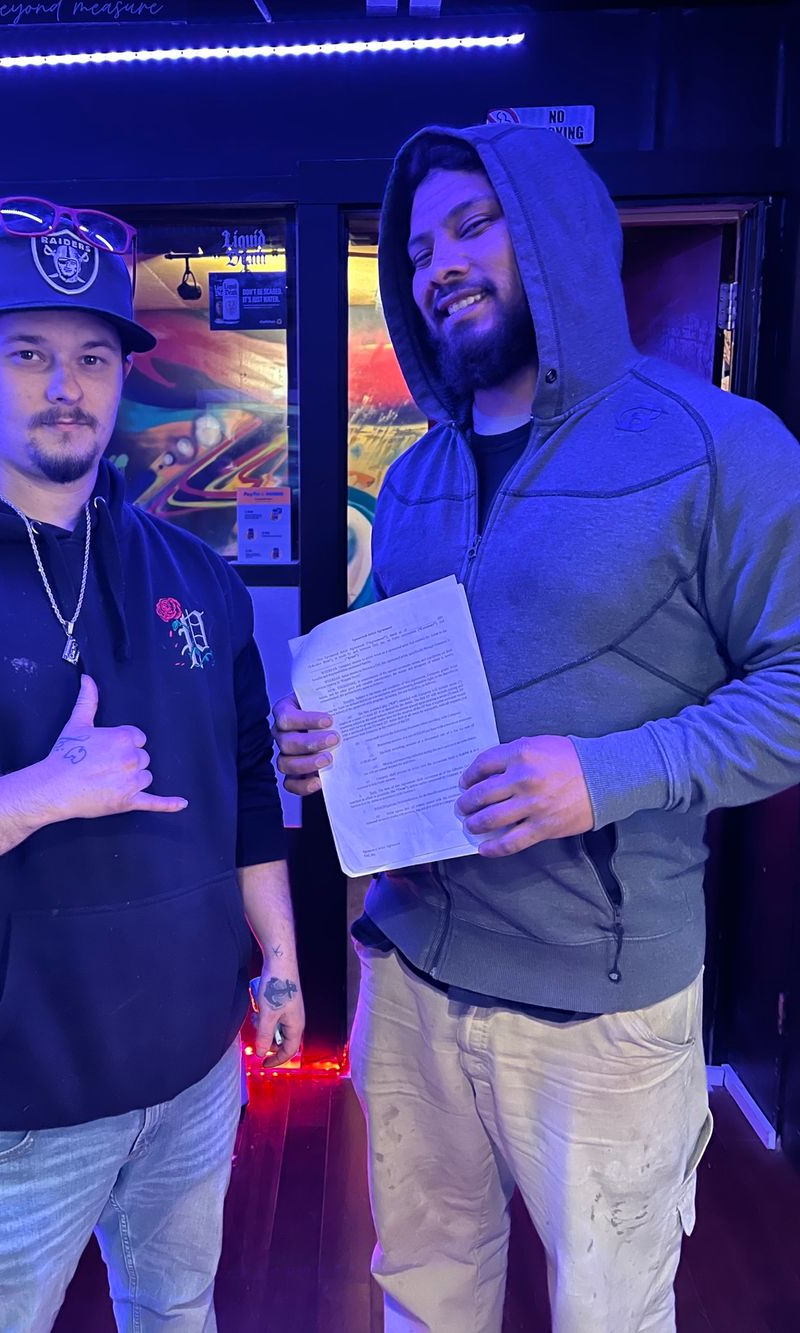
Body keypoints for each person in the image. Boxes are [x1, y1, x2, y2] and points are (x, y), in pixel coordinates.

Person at [274, 124, 800, 1331]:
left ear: (555, 234)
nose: (440, 267)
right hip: (410, 972)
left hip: (600, 1004)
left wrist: (607, 773)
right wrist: (317, 734)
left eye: (475, 226)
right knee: (424, 1294)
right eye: (418, 251)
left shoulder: (720, 448)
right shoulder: (416, 474)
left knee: (609, 1314)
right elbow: (379, 663)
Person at [0, 196, 304, 1333]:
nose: (65, 385)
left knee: (176, 1310)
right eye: (29, 353)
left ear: (122, 375)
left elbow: (243, 783)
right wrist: (37, 796)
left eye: (91, 357)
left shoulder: (195, 573)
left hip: (190, 1077)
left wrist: (278, 960)